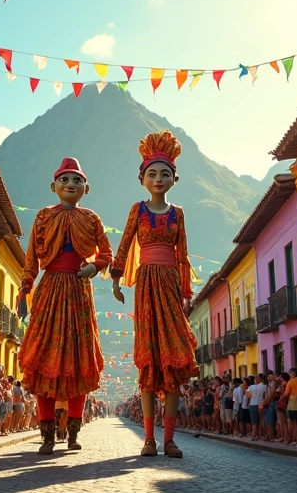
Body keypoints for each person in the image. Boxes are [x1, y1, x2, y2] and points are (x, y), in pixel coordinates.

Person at [111, 132, 199, 458]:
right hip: (146, 285)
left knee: (174, 364)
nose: (158, 179)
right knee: (149, 363)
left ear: (174, 178)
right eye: (152, 174)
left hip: (171, 285)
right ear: (142, 178)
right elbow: (123, 244)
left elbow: (184, 253)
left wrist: (186, 292)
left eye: (165, 174)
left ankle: (170, 439)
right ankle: (149, 439)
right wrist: (117, 279)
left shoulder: (178, 213)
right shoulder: (138, 210)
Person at [17, 157, 112, 455]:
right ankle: (46, 435)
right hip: (50, 289)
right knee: (44, 358)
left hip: (79, 290)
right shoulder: (43, 216)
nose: (71, 185)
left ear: (87, 187)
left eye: (77, 180)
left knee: (79, 359)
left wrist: (94, 266)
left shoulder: (92, 219)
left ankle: (72, 433)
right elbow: (31, 256)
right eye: (65, 180)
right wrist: (25, 290)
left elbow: (107, 253)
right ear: (53, 186)